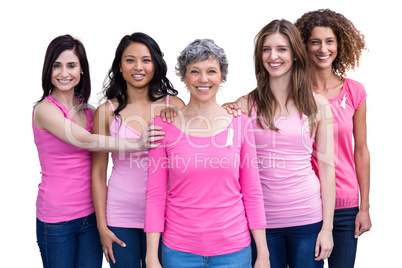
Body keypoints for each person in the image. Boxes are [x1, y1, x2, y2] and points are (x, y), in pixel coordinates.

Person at [33, 34, 164, 268]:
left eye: (71, 65)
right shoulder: (44, 110)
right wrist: (137, 144)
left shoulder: (91, 111)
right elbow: (85, 140)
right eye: (57, 66)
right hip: (57, 219)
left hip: (91, 215)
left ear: (82, 70)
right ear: (48, 69)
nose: (64, 73)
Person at [144, 39, 270, 268]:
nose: (203, 79)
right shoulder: (163, 126)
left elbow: (252, 190)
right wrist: (151, 256)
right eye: (195, 71)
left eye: (211, 71)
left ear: (222, 77)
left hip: (234, 251)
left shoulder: (240, 123)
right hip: (179, 252)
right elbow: (155, 194)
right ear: (183, 77)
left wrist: (263, 253)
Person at [223, 19, 336, 267]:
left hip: (307, 218)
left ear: (295, 53)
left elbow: (327, 170)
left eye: (281, 49)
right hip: (261, 223)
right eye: (266, 49)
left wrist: (327, 228)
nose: (273, 56)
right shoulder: (244, 105)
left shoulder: (318, 105)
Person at [91, 32, 184, 267]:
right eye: (130, 60)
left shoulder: (174, 106)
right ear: (120, 67)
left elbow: (188, 162)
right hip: (120, 213)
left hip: (166, 213)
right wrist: (102, 226)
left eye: (146, 59)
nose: (138, 67)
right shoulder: (106, 111)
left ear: (156, 64)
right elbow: (99, 173)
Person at [295, 9, 371, 268]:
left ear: (339, 45)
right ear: (303, 46)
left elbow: (360, 151)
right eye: (314, 42)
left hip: (346, 206)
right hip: (307, 204)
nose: (322, 49)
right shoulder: (293, 94)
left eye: (329, 41)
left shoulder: (354, 91)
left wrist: (365, 206)